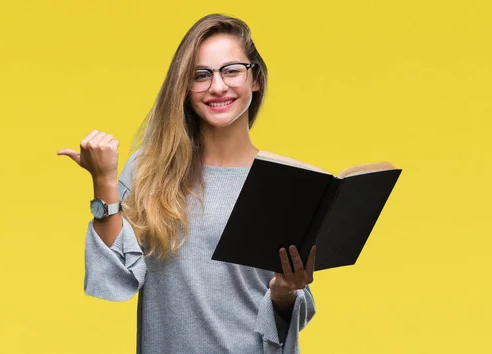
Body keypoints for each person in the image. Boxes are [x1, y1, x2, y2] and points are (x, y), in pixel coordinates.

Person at [58, 13, 317, 354]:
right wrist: (103, 182)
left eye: (232, 70)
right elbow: (115, 278)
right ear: (184, 88)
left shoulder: (285, 182)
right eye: (201, 75)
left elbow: (288, 319)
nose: (218, 86)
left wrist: (285, 292)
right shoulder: (151, 172)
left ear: (255, 78)